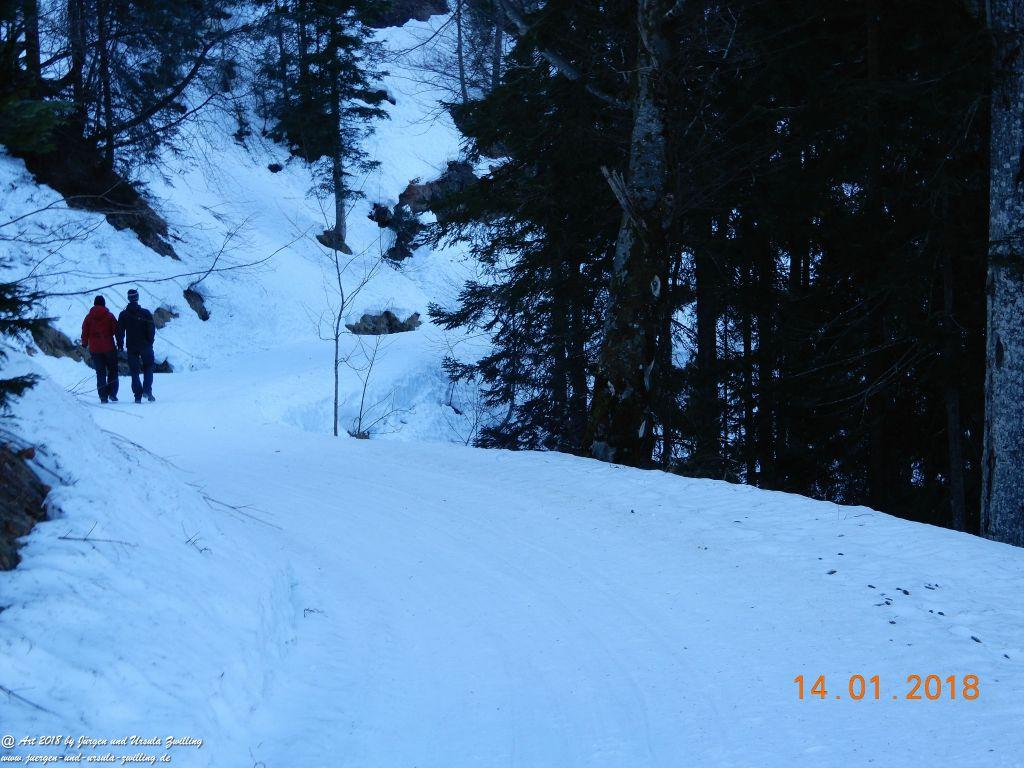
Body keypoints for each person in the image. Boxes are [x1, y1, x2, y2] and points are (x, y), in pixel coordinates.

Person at [117, 288, 156, 404]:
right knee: (148, 367)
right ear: (137, 298)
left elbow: (119, 331)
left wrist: (120, 344)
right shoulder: (146, 313)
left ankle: (137, 396)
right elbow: (151, 329)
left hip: (131, 347)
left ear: (128, 298)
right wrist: (150, 341)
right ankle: (147, 391)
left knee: (134, 371)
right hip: (145, 346)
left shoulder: (123, 314)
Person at [81, 295, 120, 403]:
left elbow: (85, 331)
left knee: (100, 372)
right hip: (109, 347)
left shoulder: (89, 317)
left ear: (94, 304)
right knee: (113, 370)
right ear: (104, 304)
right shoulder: (109, 316)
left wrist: (84, 343)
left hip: (95, 349)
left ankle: (103, 396)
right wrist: (119, 343)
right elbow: (116, 330)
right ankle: (112, 393)